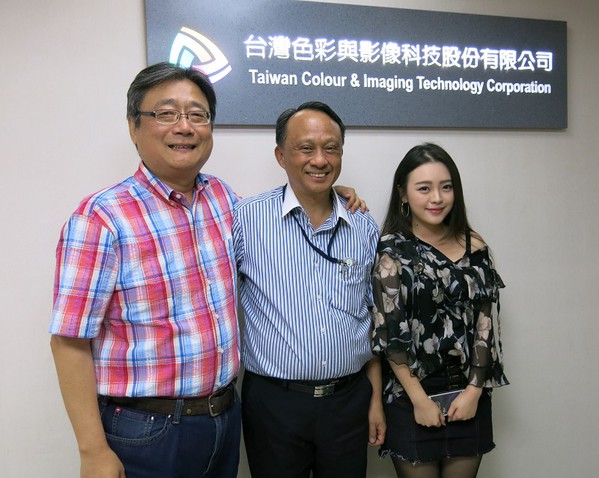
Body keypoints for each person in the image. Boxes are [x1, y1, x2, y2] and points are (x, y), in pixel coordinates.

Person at [50, 63, 364, 478]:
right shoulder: (101, 218)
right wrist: (92, 450)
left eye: (197, 115)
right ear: (133, 127)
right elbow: (69, 340)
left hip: (223, 417)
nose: (184, 127)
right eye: (166, 113)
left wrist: (325, 191)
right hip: (146, 428)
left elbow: (279, 223)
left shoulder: (223, 200)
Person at [233, 101, 386, 478]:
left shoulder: (363, 225)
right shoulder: (246, 219)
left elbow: (372, 318)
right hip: (274, 404)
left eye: (331, 148)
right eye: (306, 148)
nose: (320, 159)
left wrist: (375, 399)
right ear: (281, 156)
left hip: (348, 401)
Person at [371, 143, 509, 478]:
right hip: (410, 394)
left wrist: (474, 392)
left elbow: (486, 325)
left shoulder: (475, 246)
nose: (437, 198)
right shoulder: (392, 251)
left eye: (446, 187)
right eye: (424, 188)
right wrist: (419, 400)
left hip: (468, 391)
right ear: (403, 194)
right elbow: (391, 333)